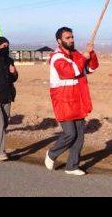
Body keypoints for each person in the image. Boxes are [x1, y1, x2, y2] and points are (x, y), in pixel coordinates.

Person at [44, 27, 99, 176]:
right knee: (70, 134)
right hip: (64, 101)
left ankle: (72, 166)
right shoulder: (56, 57)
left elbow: (91, 68)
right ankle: (52, 154)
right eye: (67, 38)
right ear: (59, 41)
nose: (71, 40)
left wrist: (90, 53)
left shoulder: (76, 55)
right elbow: (70, 72)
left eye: (72, 37)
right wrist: (84, 57)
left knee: (79, 136)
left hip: (78, 100)